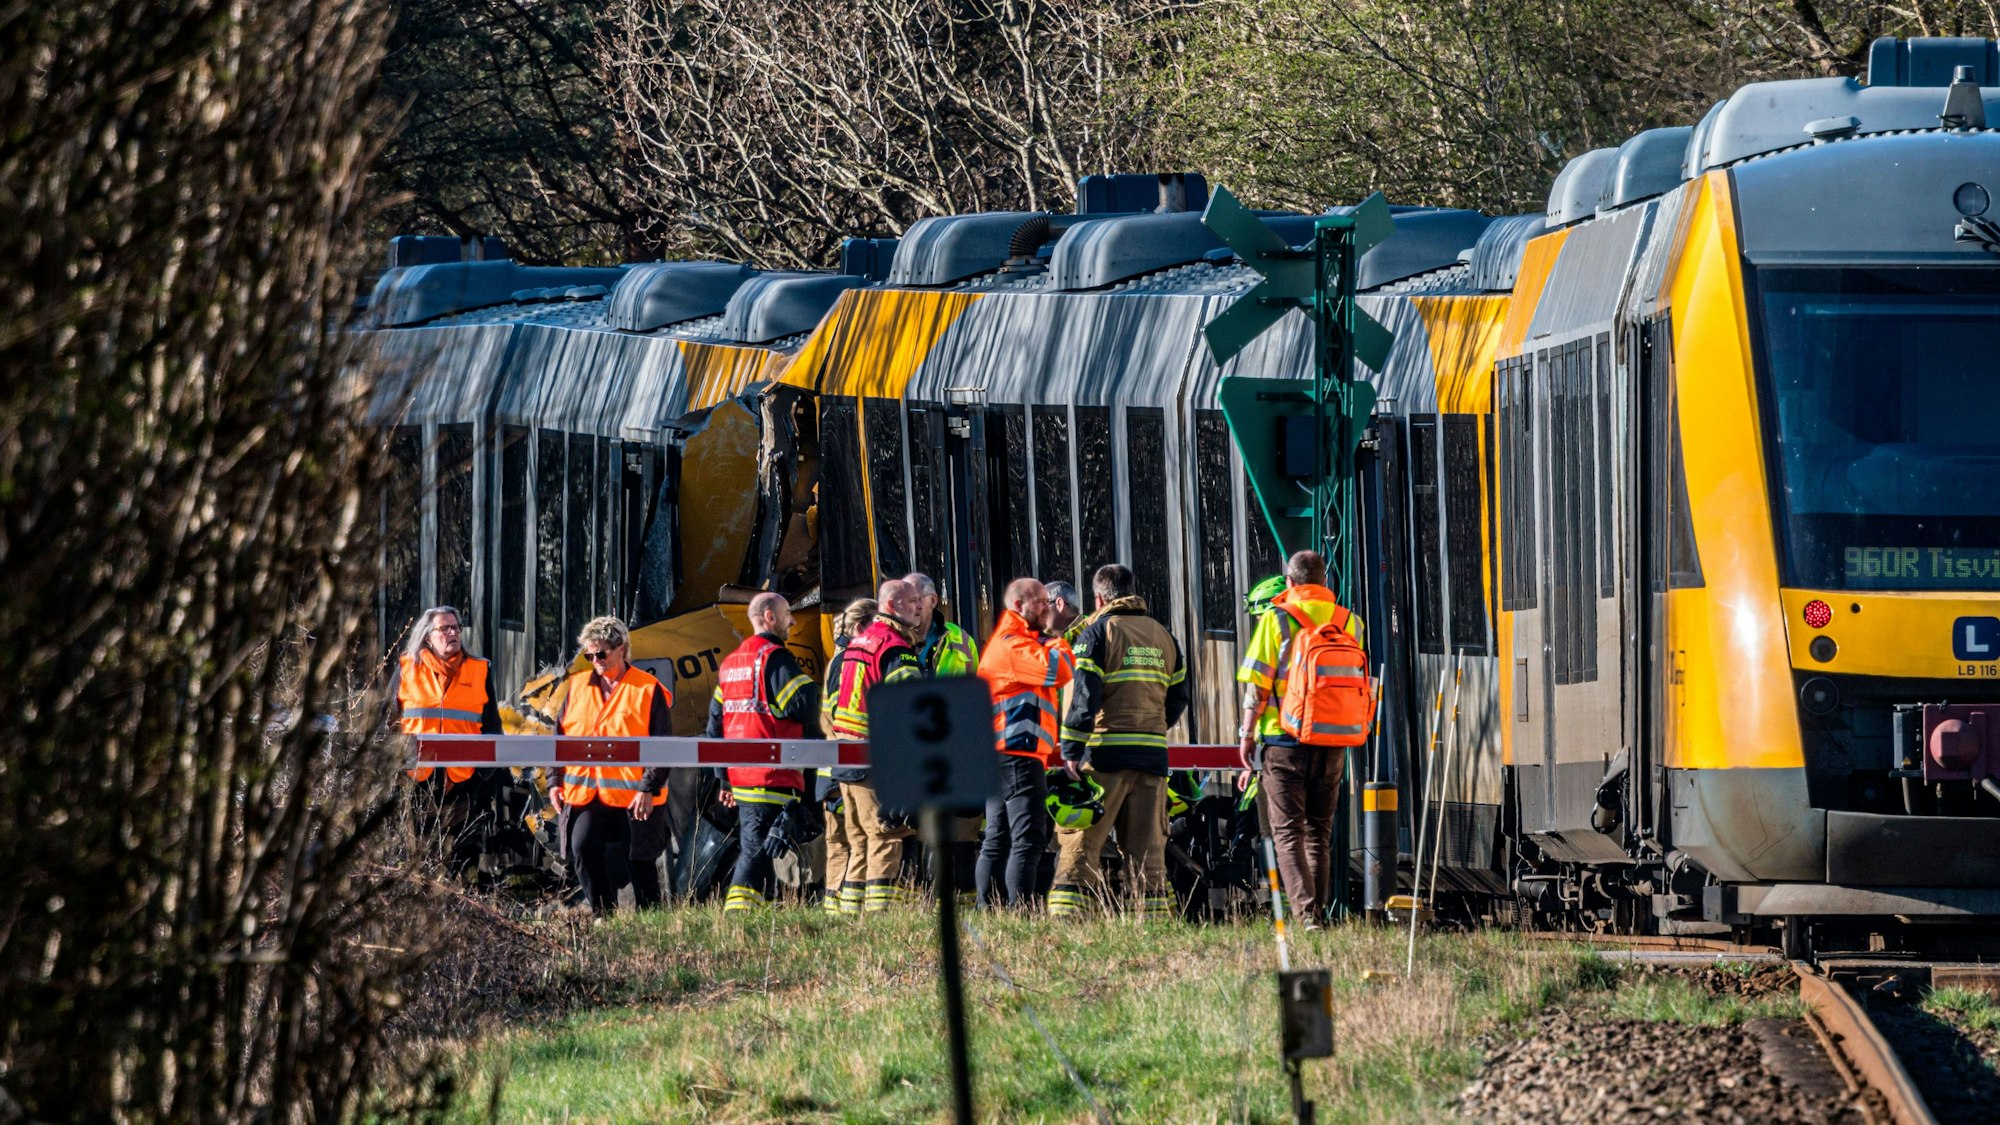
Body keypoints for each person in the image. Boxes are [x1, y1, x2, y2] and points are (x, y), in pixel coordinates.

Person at [1236, 550, 1364, 929]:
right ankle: (1317, 913)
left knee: (1288, 832)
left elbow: (1258, 685)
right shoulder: (1349, 621)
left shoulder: (1277, 618)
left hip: (1284, 740)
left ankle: (1307, 916)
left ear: (1289, 583)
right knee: (1318, 833)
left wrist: (1246, 735)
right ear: (1325, 582)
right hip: (1333, 741)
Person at [1051, 564, 1188, 918]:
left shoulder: (1097, 634)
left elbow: (1085, 698)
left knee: (1082, 841)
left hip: (1104, 756)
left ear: (1098, 597)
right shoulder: (1164, 636)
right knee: (1147, 849)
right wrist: (1153, 727)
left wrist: (1071, 749)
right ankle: (1152, 920)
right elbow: (1178, 697)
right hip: (1152, 758)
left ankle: (1068, 918)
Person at [549, 616, 673, 914]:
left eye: (601, 653)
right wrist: (554, 781)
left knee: (639, 862)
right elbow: (558, 739)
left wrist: (648, 788)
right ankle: (603, 914)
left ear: (622, 649)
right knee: (582, 848)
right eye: (589, 655)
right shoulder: (577, 686)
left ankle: (653, 924)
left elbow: (662, 747)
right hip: (586, 795)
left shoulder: (648, 689)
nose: (595, 660)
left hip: (635, 796)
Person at [708, 592, 821, 912]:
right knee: (756, 852)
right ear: (770, 617)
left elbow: (714, 727)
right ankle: (738, 918)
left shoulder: (731, 664)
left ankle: (760, 913)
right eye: (788, 614)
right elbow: (802, 703)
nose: (793, 620)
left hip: (743, 779)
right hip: (772, 774)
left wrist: (724, 779)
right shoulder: (775, 658)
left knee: (765, 847)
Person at [826, 579, 926, 912]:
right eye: (913, 601)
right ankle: (880, 921)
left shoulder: (859, 642)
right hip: (875, 758)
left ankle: (849, 919)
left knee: (859, 842)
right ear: (894, 605)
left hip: (846, 756)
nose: (919, 607)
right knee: (887, 837)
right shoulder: (895, 647)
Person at [974, 578, 1075, 908]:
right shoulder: (1013, 644)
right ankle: (1021, 911)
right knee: (1027, 840)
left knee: (998, 839)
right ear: (1019, 605)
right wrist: (1059, 636)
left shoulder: (1016, 641)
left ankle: (989, 908)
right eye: (1041, 602)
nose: (1047, 608)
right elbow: (1059, 671)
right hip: (1017, 754)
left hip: (1002, 755)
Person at [394, 606, 504, 879]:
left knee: (461, 862)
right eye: (445, 628)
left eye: (456, 627)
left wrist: (481, 776)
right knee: (417, 859)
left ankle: (459, 916)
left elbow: (492, 728)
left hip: (463, 783)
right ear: (429, 637)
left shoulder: (479, 670)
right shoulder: (407, 669)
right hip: (417, 781)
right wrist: (396, 769)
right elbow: (389, 722)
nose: (453, 633)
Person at [817, 598, 876, 913]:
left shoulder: (835, 660)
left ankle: (834, 911)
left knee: (838, 846)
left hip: (831, 769)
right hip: (848, 769)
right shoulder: (852, 661)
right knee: (859, 842)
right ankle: (851, 910)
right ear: (861, 626)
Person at [905, 572, 979, 676]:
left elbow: (975, 685)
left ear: (933, 600)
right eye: (905, 601)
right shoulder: (891, 639)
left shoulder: (962, 639)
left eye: (915, 599)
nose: (910, 607)